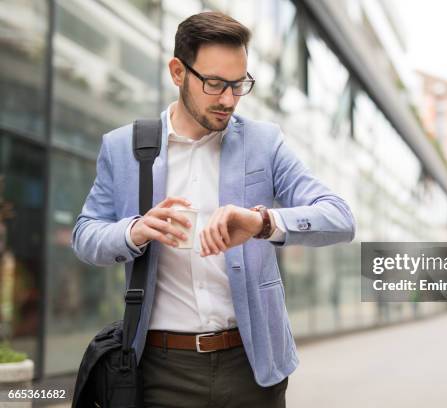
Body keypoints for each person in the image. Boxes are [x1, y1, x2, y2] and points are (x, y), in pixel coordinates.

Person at [71, 11, 355, 408]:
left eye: (239, 85)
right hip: (159, 369)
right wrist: (135, 230)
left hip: (252, 366)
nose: (228, 100)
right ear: (177, 71)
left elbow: (340, 218)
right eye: (215, 84)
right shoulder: (124, 148)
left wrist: (263, 222)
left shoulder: (264, 142)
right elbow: (85, 236)